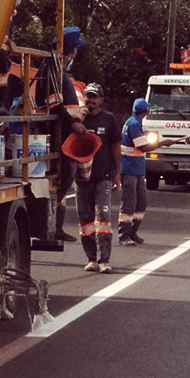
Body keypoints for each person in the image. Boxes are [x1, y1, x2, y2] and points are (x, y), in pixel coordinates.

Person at [45, 27, 88, 242]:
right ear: (69, 52)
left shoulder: (60, 73)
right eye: (74, 52)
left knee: (65, 180)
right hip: (60, 136)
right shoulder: (53, 72)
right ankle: (53, 228)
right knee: (63, 179)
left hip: (67, 135)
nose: (74, 56)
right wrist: (73, 124)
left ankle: (57, 227)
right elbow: (55, 105)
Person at [74, 83, 121, 273]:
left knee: (103, 217)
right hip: (82, 177)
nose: (90, 100)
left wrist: (117, 173)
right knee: (85, 219)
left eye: (94, 97)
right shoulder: (79, 119)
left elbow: (116, 147)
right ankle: (91, 258)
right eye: (88, 96)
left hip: (104, 176)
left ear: (101, 100)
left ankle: (104, 260)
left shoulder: (109, 119)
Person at [117, 98, 174, 246]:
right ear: (146, 111)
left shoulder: (133, 122)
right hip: (129, 168)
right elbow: (143, 147)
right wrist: (162, 143)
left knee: (141, 203)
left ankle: (132, 232)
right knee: (129, 204)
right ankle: (124, 235)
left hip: (136, 168)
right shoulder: (134, 124)